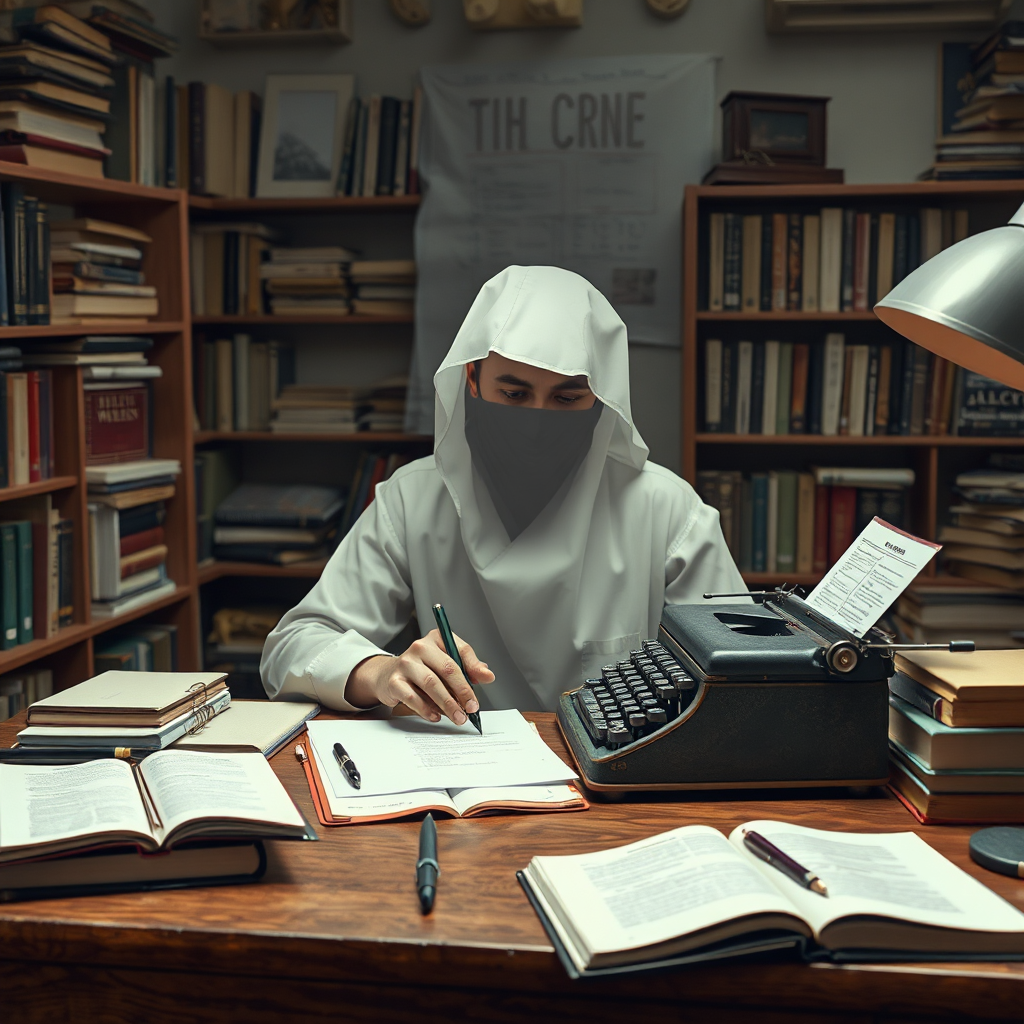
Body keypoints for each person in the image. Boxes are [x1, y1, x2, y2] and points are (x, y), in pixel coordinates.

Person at [261, 265, 745, 723]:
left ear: (601, 400)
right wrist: (381, 672)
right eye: (514, 395)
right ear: (471, 378)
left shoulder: (667, 510)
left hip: (619, 777)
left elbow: (743, 670)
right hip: (466, 773)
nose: (537, 420)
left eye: (566, 398)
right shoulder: (414, 499)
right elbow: (292, 648)